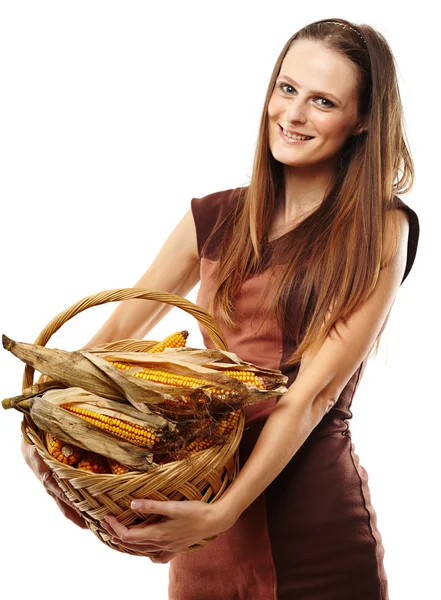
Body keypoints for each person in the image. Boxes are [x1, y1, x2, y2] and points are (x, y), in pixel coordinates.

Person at [22, 17, 420, 599]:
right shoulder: (211, 217)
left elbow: (311, 396)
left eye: (323, 101)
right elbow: (94, 355)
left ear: (362, 121)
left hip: (310, 524)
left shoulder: (381, 228)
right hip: (201, 522)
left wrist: (225, 510)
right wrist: (44, 441)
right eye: (286, 88)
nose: (293, 115)